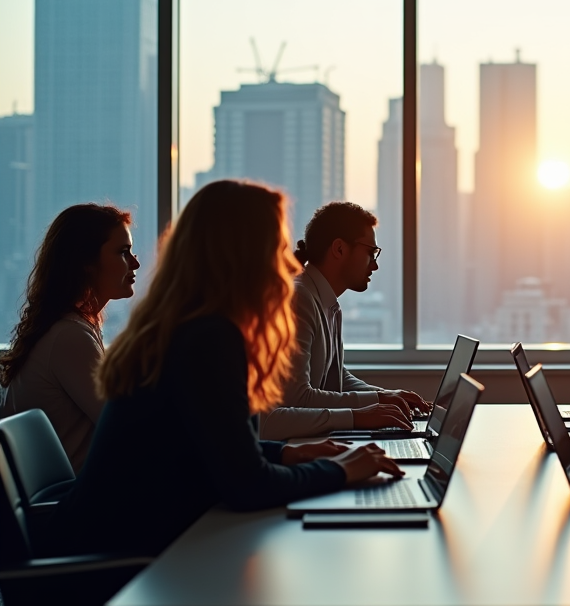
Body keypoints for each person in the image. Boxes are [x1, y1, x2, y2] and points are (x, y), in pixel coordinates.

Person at [42, 181, 404, 559]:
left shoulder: (188, 327)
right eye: (277, 250)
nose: (287, 265)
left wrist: (285, 454)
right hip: (110, 569)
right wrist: (343, 470)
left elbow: (206, 443)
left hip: (121, 541)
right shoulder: (207, 339)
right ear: (244, 258)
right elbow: (248, 486)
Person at [259, 201, 430, 441]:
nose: (375, 264)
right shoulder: (299, 300)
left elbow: (336, 378)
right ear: (339, 249)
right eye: (371, 252)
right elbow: (298, 399)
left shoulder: (326, 301)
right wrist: (360, 414)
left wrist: (386, 396)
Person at [0, 204, 140, 472]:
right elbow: (124, 430)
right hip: (81, 501)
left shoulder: (71, 328)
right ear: (86, 263)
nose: (135, 262)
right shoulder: (69, 337)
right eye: (123, 253)